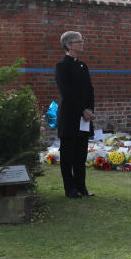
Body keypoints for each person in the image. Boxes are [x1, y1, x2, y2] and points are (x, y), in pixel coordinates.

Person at [54, 31, 95, 199]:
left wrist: (90, 110)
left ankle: (81, 187)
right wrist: (82, 110)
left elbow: (89, 90)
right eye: (78, 41)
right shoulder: (62, 66)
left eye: (82, 40)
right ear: (68, 45)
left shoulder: (82, 66)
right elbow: (67, 92)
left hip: (84, 117)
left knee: (81, 154)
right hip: (70, 116)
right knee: (68, 155)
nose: (82, 43)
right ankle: (69, 189)